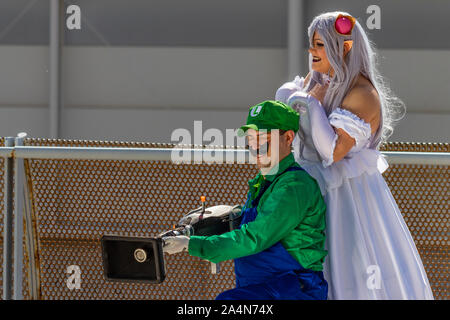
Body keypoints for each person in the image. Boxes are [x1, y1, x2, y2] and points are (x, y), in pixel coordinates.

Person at [275, 11, 434, 299]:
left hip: (344, 197)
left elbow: (332, 152)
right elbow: (284, 123)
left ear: (344, 48)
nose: (312, 51)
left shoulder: (362, 94)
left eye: (321, 44)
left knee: (349, 266)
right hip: (306, 191)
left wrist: (309, 103)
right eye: (312, 43)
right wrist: (290, 95)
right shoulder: (319, 79)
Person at [163, 100, 328, 300]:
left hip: (293, 289)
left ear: (288, 137)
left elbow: (255, 237)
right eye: (251, 139)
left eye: (263, 138)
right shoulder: (262, 183)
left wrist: (192, 244)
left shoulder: (294, 186)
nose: (256, 146)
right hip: (264, 288)